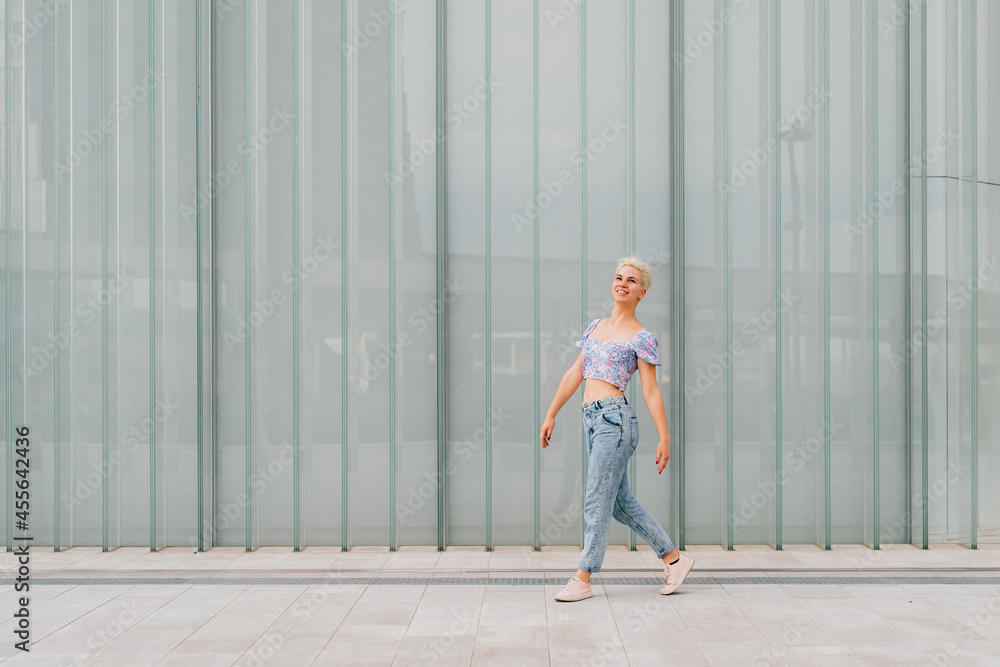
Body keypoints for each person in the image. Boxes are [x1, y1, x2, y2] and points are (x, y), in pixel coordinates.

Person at [540, 256, 693, 602]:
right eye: (619, 277)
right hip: (591, 419)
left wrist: (664, 437)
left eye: (632, 281)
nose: (623, 283)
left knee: (595, 498)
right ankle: (674, 559)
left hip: (616, 422)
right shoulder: (595, 327)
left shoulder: (642, 337)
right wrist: (551, 413)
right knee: (619, 503)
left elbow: (651, 391)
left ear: (641, 292)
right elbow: (574, 374)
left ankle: (583, 577)